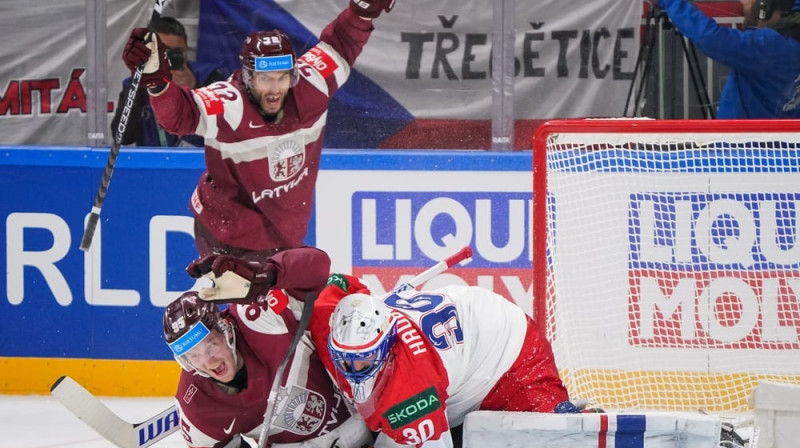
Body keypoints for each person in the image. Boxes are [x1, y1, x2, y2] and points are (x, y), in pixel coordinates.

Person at [120, 0, 395, 263]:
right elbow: (180, 116)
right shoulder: (231, 103)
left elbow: (341, 45)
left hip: (283, 233)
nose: (274, 89)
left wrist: (361, 13)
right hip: (225, 231)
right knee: (248, 309)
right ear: (249, 78)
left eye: (281, 78)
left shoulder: (315, 84)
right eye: (264, 79)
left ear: (293, 74)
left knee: (287, 304)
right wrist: (156, 81)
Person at [309, 274, 576, 448]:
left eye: (365, 361)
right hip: (457, 349)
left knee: (555, 439)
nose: (356, 372)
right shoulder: (325, 318)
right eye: (346, 361)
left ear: (389, 345)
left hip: (508, 351)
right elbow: (342, 285)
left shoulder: (412, 392)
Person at [163, 246, 372, 448]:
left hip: (364, 424)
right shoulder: (196, 406)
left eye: (211, 346)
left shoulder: (258, 315)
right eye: (193, 356)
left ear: (225, 329)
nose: (208, 362)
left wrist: (266, 276)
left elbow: (318, 266)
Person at [656, 0, 800, 118]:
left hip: (742, 147)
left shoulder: (768, 46)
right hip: (786, 147)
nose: (743, 4)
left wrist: (671, 2)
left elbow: (710, 38)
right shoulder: (787, 41)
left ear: (765, 9)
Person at [111, 16, 230, 147]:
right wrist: (143, 83)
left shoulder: (210, 76)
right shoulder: (136, 83)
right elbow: (123, 137)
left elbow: (224, 128)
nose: (170, 58)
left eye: (177, 52)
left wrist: (195, 92)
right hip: (155, 162)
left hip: (199, 160)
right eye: (165, 51)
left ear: (185, 50)